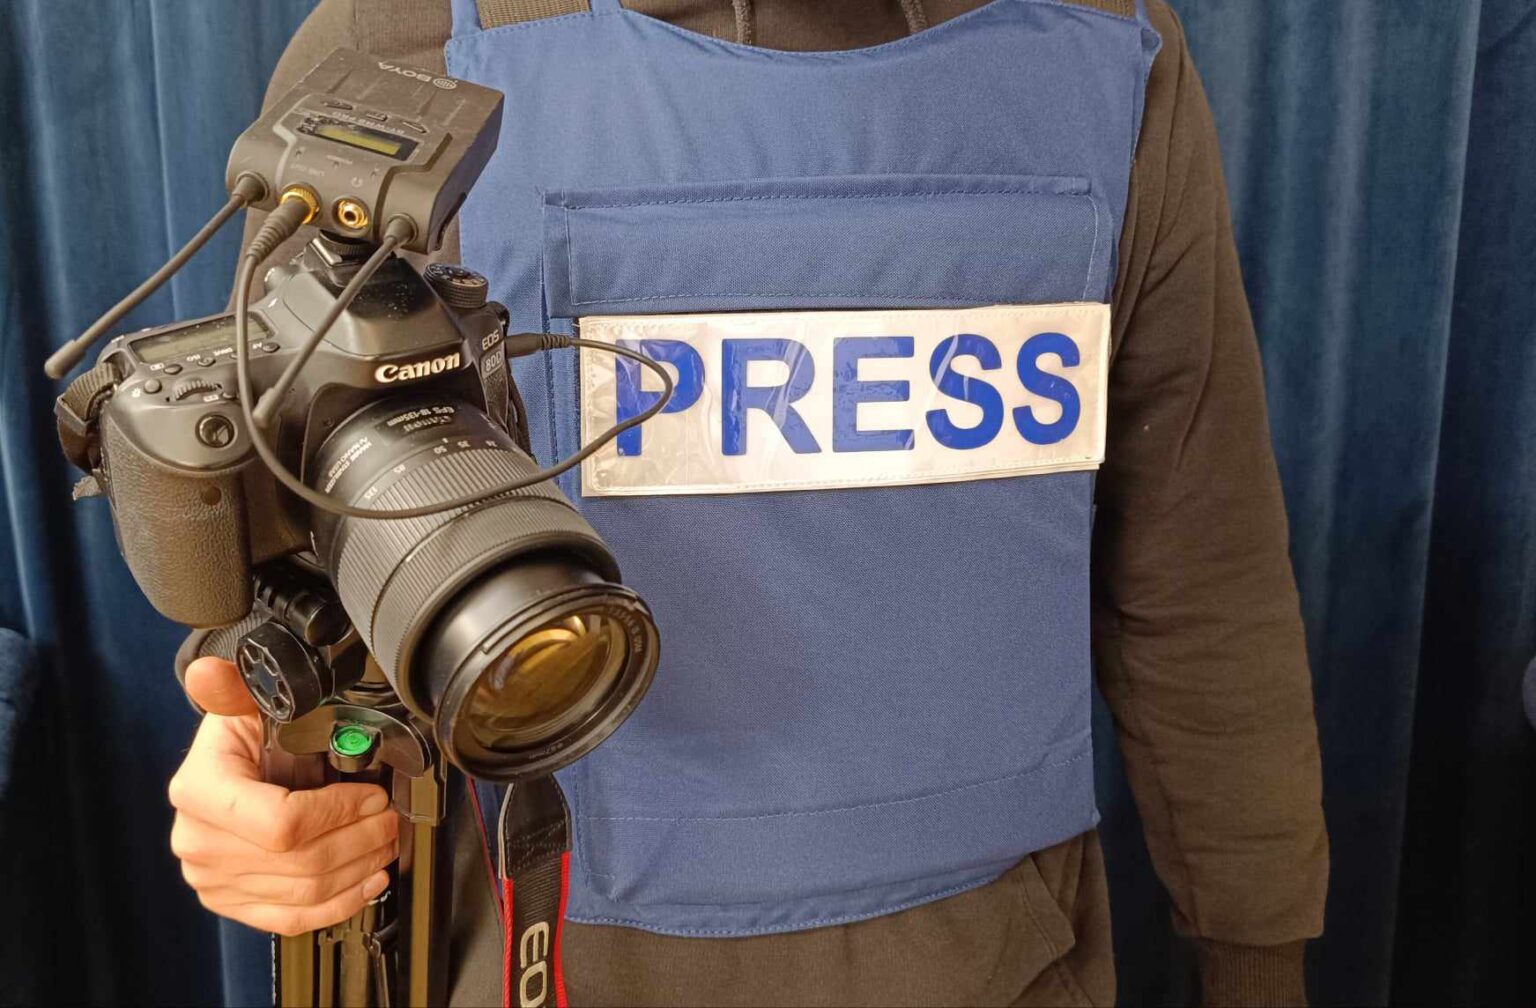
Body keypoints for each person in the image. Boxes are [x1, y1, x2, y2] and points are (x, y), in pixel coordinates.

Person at [169, 1, 1328, 1004]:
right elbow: (294, 552)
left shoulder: (1105, 53)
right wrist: (258, 777)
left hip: (1004, 967)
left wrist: (1257, 963)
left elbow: (1201, 584)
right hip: (529, 956)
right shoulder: (403, 43)